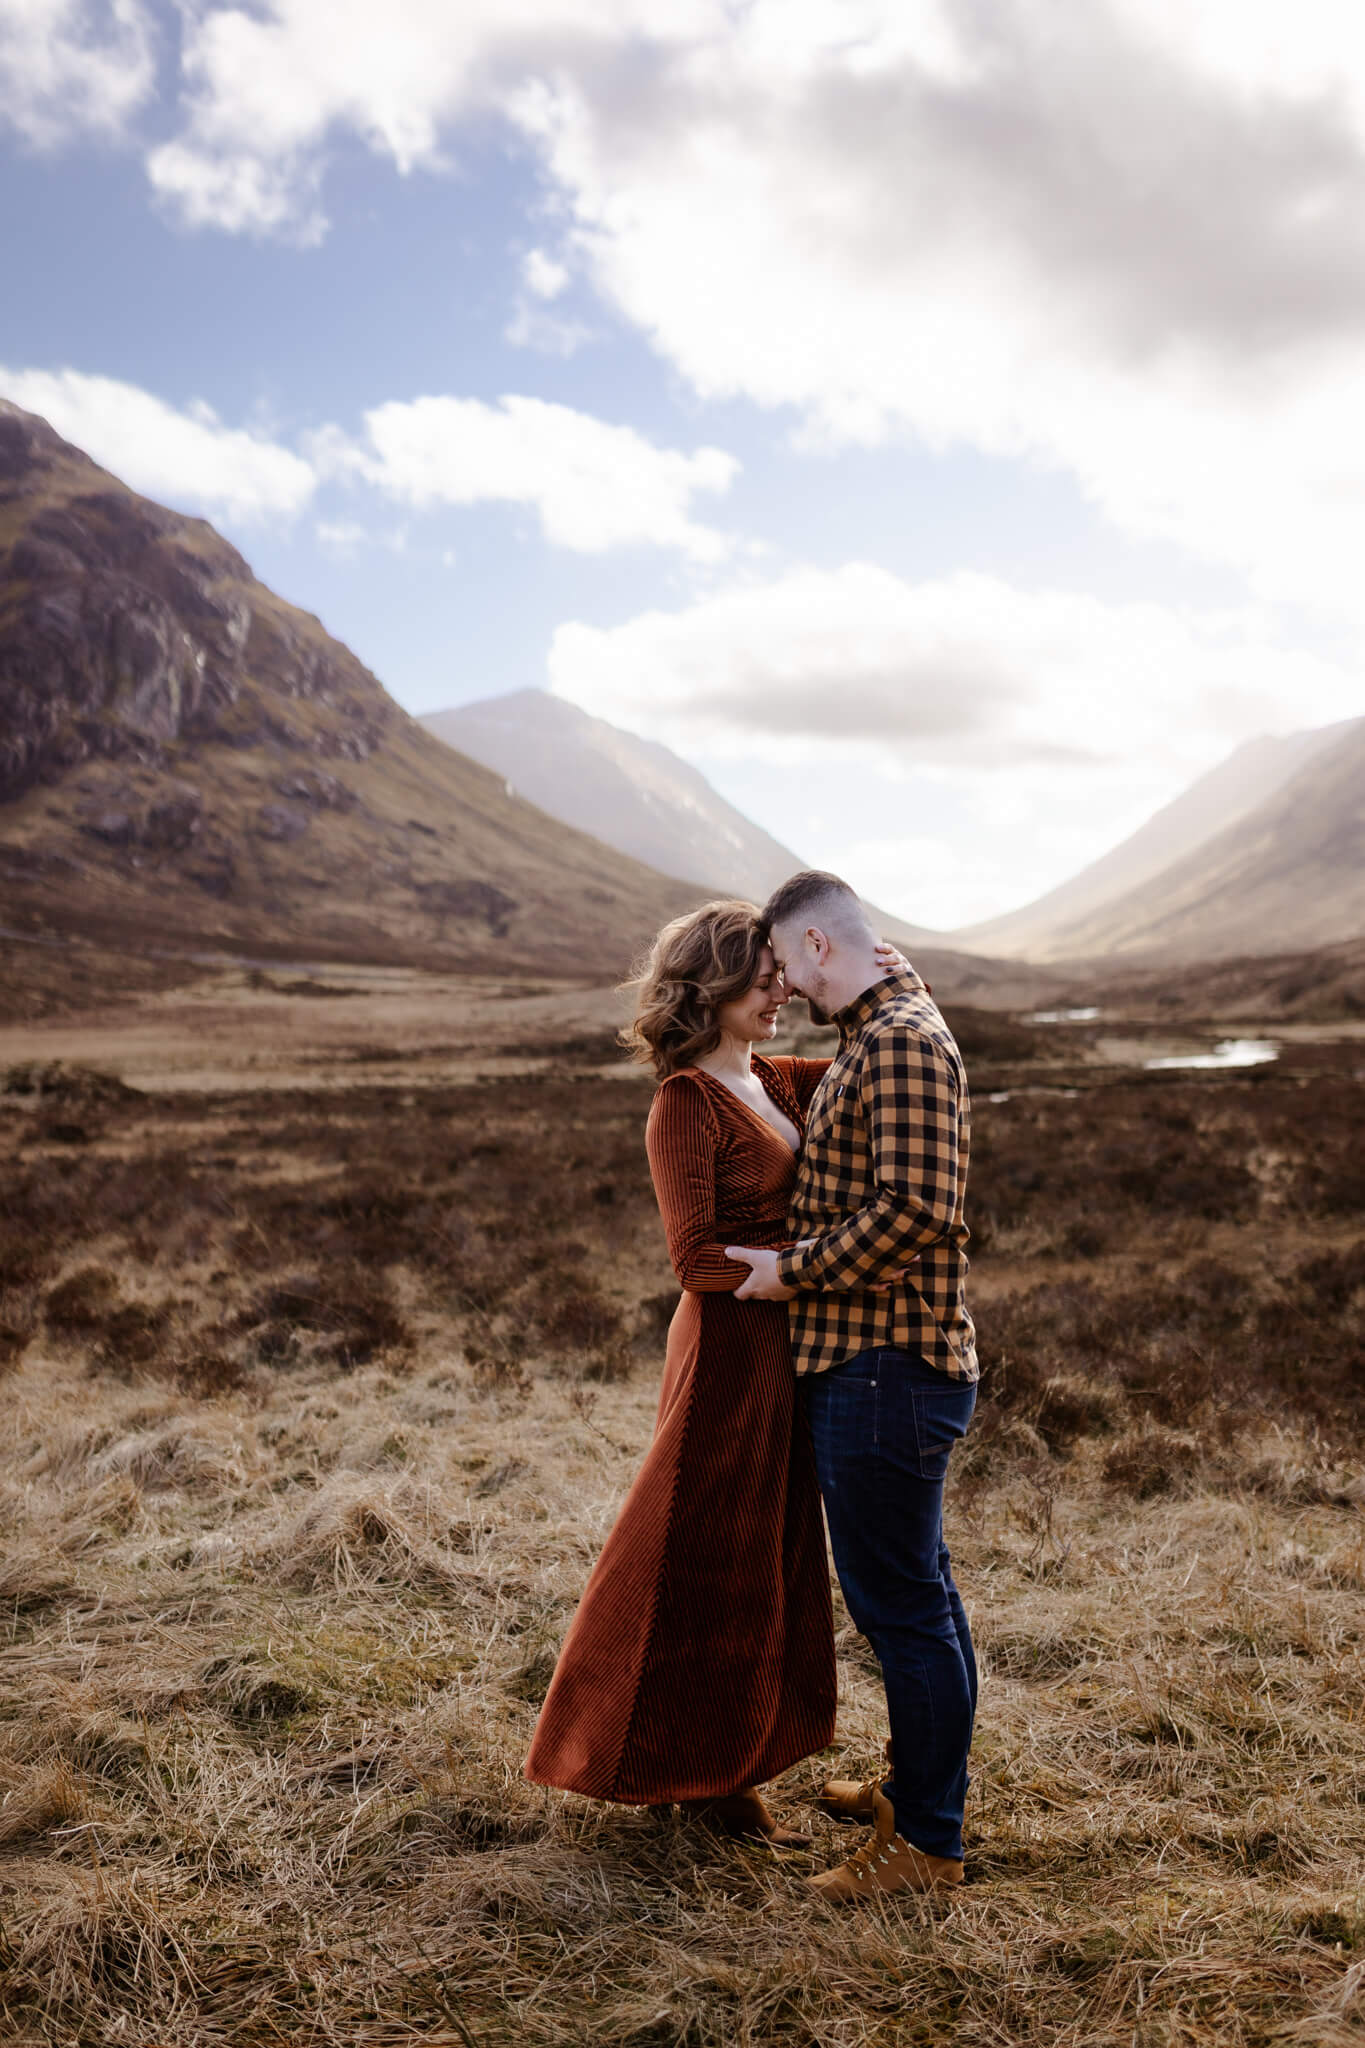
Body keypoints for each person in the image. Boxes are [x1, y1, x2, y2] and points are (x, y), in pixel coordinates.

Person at [525, 898, 908, 1844]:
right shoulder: (685, 1103)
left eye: (782, 976)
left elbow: (871, 1060)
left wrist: (891, 983)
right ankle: (666, 1765)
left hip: (783, 1349)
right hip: (727, 1358)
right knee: (701, 1555)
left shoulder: (768, 1077)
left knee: (766, 1555)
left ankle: (730, 1764)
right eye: (763, 980)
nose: (781, 994)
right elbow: (694, 1259)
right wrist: (806, 1263)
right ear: (712, 986)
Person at [726, 870, 978, 1904]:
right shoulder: (878, 1029)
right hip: (879, 1367)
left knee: (902, 1611)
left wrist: (790, 1270)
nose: (781, 984)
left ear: (819, 946)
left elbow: (918, 1210)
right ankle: (919, 1793)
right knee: (922, 1596)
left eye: (785, 963)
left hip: (884, 1369)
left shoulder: (901, 1041)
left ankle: (925, 1843)